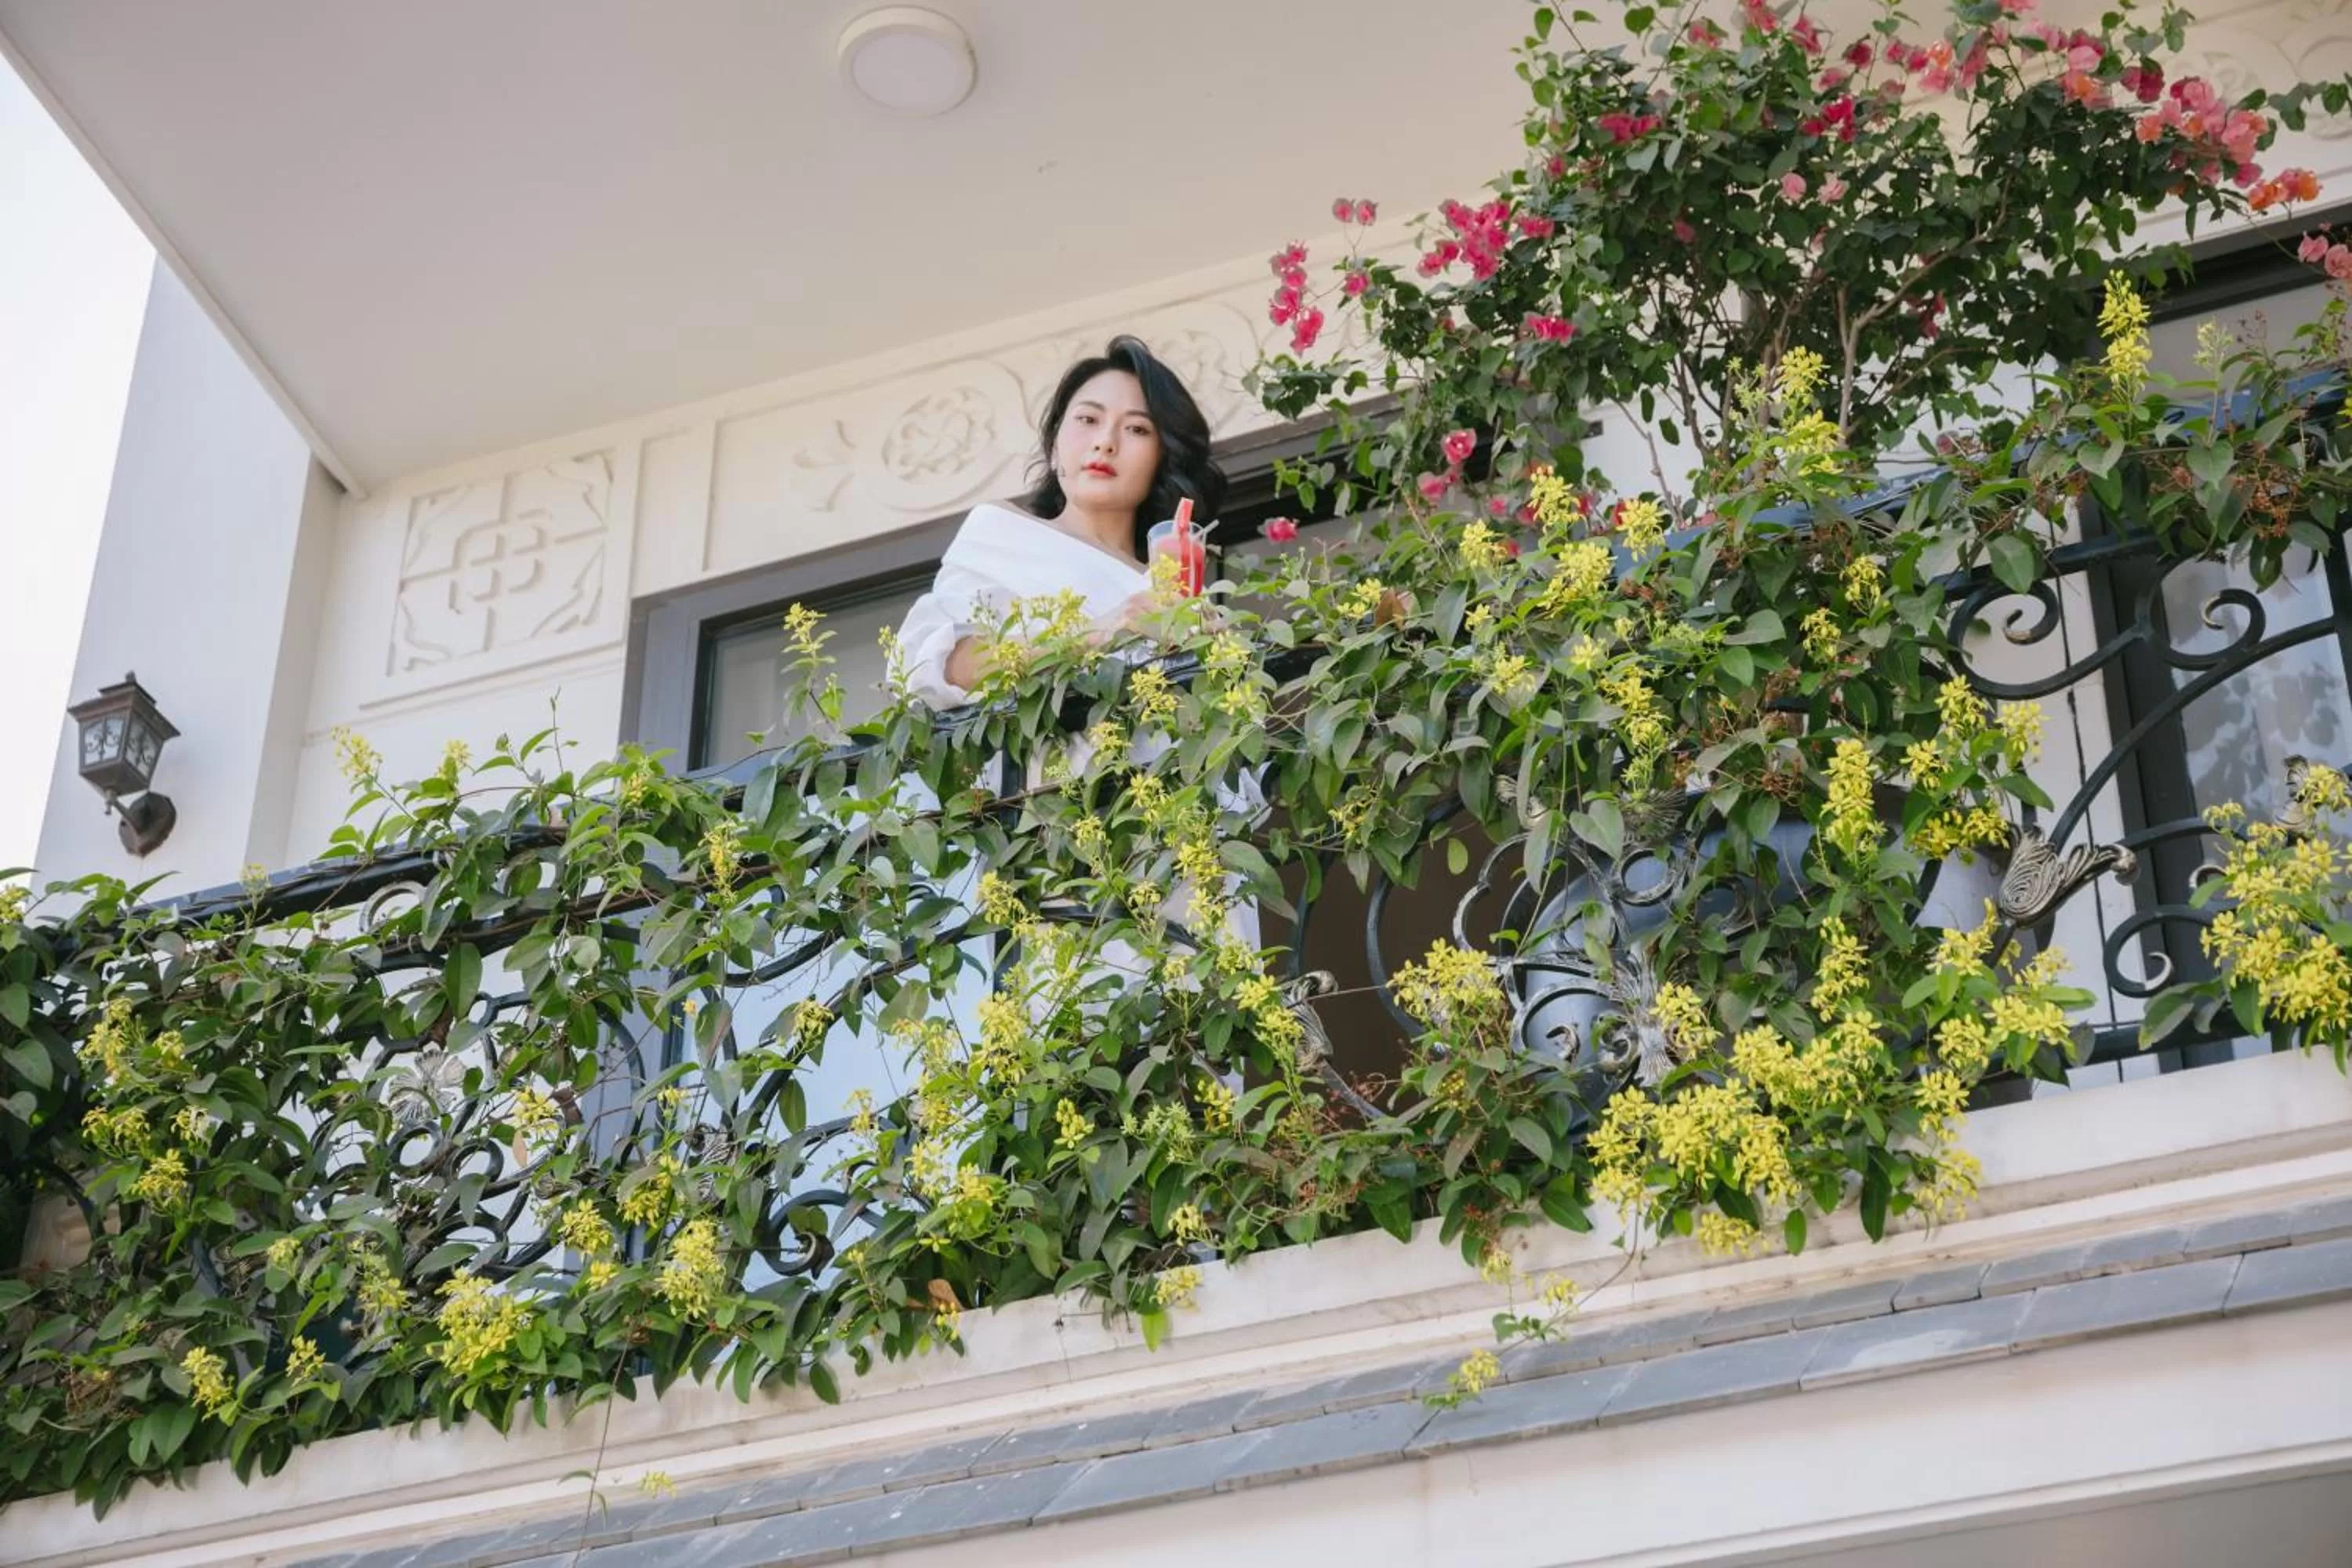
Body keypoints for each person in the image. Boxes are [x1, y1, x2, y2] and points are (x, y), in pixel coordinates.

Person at [897, 336, 1227, 709]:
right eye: (1088, 419)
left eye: (1137, 429)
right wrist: (1096, 634)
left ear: (1162, 461)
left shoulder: (1168, 590)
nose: (1105, 442)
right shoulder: (1003, 533)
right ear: (1054, 447)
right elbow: (933, 666)